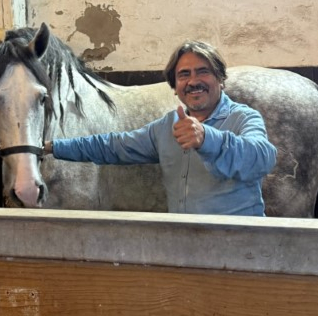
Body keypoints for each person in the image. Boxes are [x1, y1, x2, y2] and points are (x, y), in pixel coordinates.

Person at [43, 40, 277, 216]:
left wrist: (207, 138)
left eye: (203, 71)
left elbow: (263, 158)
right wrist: (53, 147)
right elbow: (112, 146)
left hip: (241, 247)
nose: (193, 81)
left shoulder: (244, 118)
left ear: (221, 79)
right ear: (175, 88)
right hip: (186, 247)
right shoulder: (167, 127)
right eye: (184, 75)